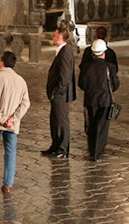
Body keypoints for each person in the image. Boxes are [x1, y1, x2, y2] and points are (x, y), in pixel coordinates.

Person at [0, 51, 31, 193]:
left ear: (2, 61)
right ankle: (8, 183)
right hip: (12, 124)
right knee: (10, 152)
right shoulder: (21, 81)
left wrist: (2, 118)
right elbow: (25, 103)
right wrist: (13, 119)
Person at [77, 39, 119, 161]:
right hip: (105, 100)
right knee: (102, 127)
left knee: (91, 125)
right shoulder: (109, 67)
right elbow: (115, 85)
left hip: (90, 100)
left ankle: (92, 150)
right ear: (104, 53)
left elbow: (81, 84)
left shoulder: (86, 67)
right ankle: (98, 152)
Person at [42, 26, 76, 158]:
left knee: (61, 121)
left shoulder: (66, 52)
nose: (53, 38)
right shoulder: (61, 51)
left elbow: (65, 75)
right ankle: (55, 145)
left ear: (61, 38)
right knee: (54, 119)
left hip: (60, 94)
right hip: (56, 93)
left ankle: (62, 148)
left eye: (55, 36)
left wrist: (58, 91)